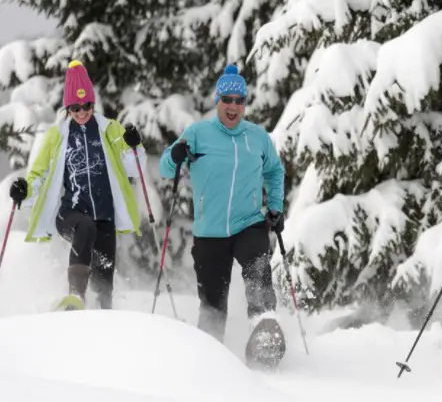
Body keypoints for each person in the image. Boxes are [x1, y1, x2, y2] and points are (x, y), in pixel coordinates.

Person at [159, 65, 286, 349]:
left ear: (244, 105)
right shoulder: (198, 133)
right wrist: (175, 154)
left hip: (248, 223)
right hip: (210, 232)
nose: (232, 106)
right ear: (217, 100)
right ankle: (211, 355)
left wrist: (275, 206)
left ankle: (264, 328)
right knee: (213, 306)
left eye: (239, 101)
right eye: (227, 99)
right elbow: (167, 167)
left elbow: (275, 172)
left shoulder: (257, 138)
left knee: (258, 267)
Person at [9, 60, 146, 310]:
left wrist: (134, 146)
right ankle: (75, 299)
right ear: (67, 108)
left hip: (104, 216)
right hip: (71, 213)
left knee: (104, 284)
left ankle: (102, 324)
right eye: (74, 107)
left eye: (86, 106)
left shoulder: (110, 130)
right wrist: (25, 191)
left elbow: (134, 168)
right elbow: (38, 174)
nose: (81, 112)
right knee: (84, 228)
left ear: (93, 103)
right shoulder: (57, 136)